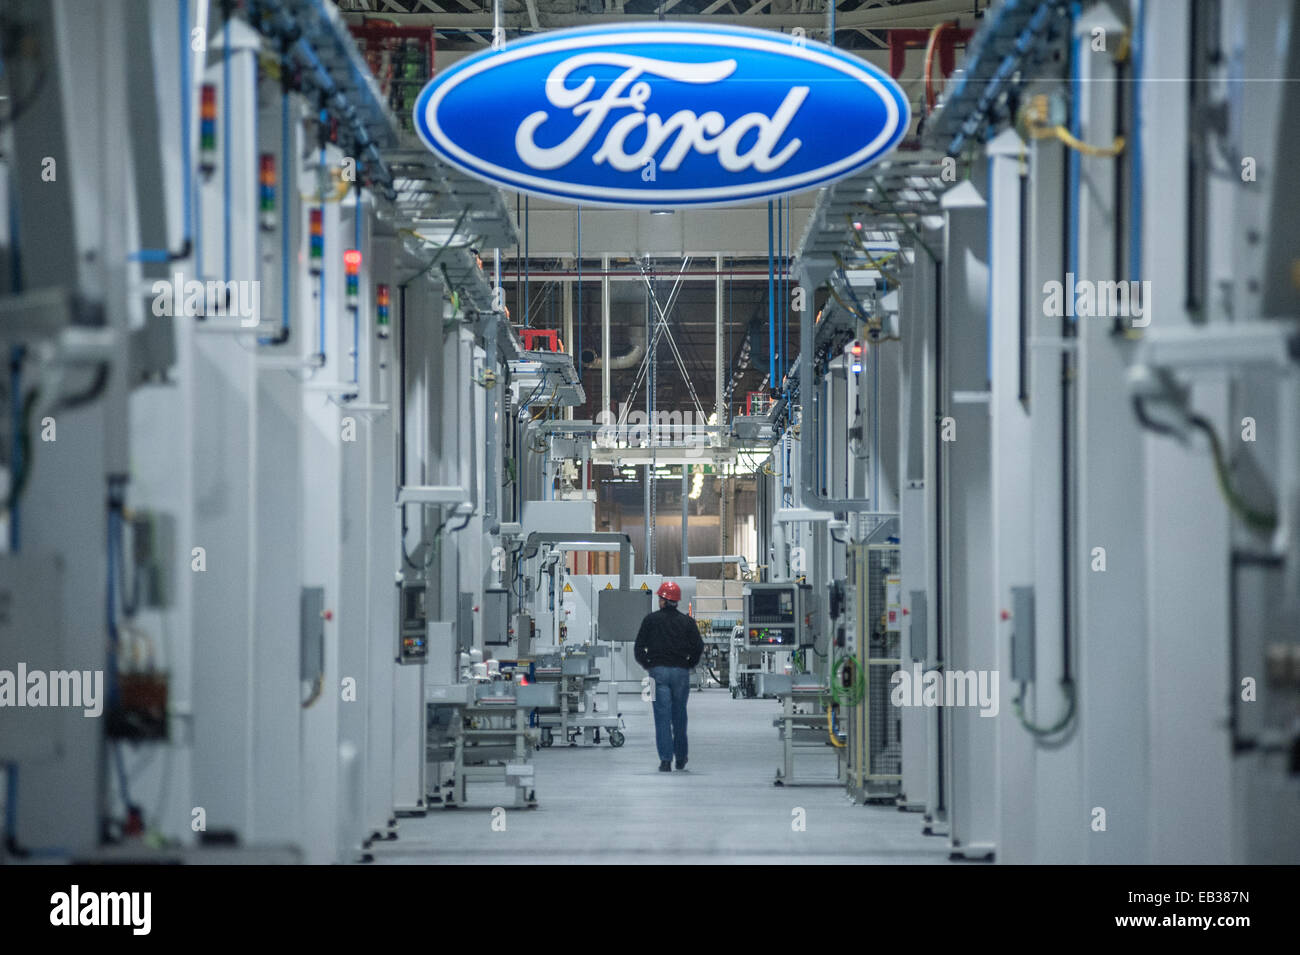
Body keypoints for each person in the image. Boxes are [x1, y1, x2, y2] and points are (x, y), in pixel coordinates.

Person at [633, 580, 704, 772]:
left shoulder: (651, 620)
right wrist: (690, 663)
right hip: (681, 672)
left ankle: (665, 760)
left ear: (664, 600)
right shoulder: (687, 622)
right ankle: (681, 758)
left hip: (658, 672)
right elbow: (699, 646)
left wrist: (648, 664)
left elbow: (638, 647)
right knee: (680, 716)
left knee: (661, 717)